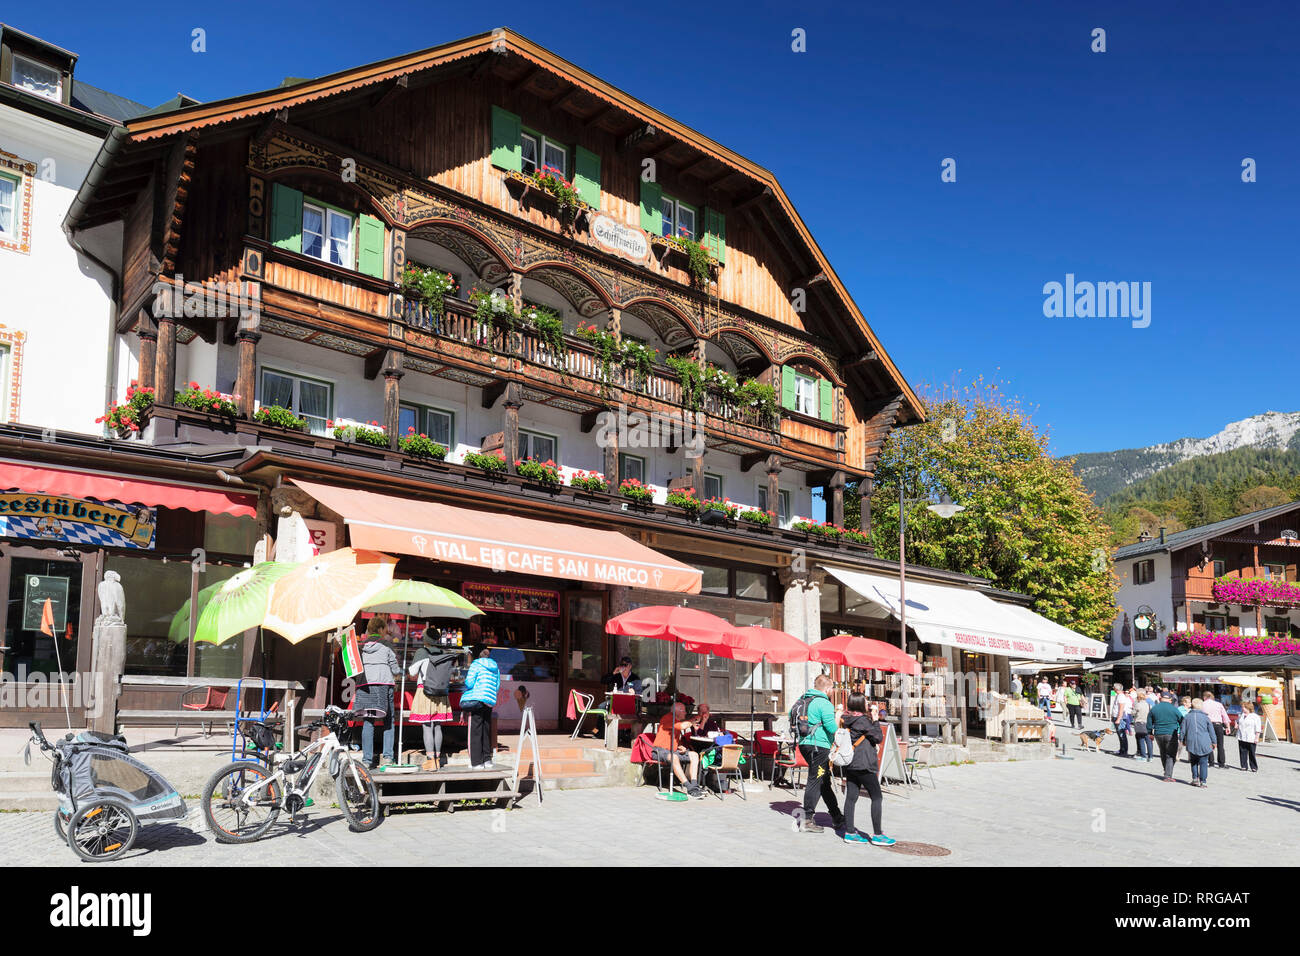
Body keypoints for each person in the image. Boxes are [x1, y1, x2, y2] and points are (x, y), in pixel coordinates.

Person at [838, 693, 892, 846]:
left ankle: (849, 832)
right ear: (861, 705)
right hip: (864, 764)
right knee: (876, 797)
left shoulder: (847, 719)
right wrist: (875, 720)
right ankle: (878, 834)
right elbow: (878, 737)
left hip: (851, 763)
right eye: (866, 702)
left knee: (851, 797)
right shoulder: (862, 721)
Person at [793, 674, 844, 833]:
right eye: (832, 689)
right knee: (816, 779)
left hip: (804, 745)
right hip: (819, 747)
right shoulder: (824, 703)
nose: (832, 692)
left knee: (824, 779)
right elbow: (832, 729)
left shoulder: (802, 700)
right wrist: (838, 715)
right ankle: (807, 819)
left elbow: (791, 716)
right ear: (828, 688)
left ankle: (836, 816)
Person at [407, 631, 458, 770]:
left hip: (425, 691)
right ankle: (437, 759)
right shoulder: (443, 652)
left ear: (426, 639)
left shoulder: (422, 652)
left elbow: (412, 672)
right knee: (437, 725)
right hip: (441, 693)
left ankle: (430, 761)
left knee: (427, 726)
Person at [356, 615, 402, 768]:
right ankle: (388, 757)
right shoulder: (387, 645)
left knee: (368, 721)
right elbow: (395, 669)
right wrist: (401, 670)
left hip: (365, 686)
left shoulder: (361, 646)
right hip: (383, 684)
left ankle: (367, 760)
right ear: (381, 629)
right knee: (388, 720)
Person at [459, 646, 500, 769]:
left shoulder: (476, 664)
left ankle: (476, 762)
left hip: (476, 699)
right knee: (485, 729)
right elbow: (497, 686)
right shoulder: (495, 666)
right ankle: (487, 760)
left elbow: (469, 683)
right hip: (489, 700)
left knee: (475, 730)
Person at [651, 701, 703, 797]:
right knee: (674, 757)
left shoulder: (677, 721)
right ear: (677, 711)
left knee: (694, 755)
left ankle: (694, 785)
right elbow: (683, 726)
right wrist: (693, 720)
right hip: (659, 751)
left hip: (673, 751)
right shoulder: (668, 718)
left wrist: (680, 745)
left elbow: (672, 737)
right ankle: (689, 787)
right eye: (683, 710)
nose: (685, 713)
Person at [1179, 698, 1216, 788]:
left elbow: (1183, 730)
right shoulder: (1206, 717)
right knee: (1203, 762)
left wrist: (1182, 740)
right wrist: (1214, 742)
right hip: (1204, 742)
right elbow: (1211, 731)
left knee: (1194, 761)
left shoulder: (1187, 717)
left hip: (1191, 741)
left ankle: (1195, 779)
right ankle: (1203, 781)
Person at [1148, 691, 1183, 782]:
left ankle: (1166, 771)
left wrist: (1150, 733)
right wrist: (1182, 732)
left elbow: (1149, 722)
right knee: (1171, 755)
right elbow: (1182, 720)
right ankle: (1168, 775)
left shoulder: (1154, 708)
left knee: (1163, 753)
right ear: (1170, 699)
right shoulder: (1174, 709)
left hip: (1158, 733)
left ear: (1160, 698)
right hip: (1171, 733)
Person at [1201, 691, 1229, 769]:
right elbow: (1225, 716)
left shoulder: (1202, 704)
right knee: (1220, 744)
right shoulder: (1219, 704)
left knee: (1209, 743)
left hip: (1207, 725)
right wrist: (1227, 727)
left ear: (1204, 697)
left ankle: (1211, 762)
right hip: (1218, 725)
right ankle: (1221, 763)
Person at [1236, 701, 1261, 772]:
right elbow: (1237, 721)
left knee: (1252, 753)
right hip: (1241, 736)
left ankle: (1253, 766)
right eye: (1242, 707)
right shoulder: (1241, 715)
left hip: (1251, 737)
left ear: (1248, 708)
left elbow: (1258, 728)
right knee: (1242, 752)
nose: (1242, 708)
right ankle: (1244, 766)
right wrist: (1236, 724)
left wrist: (1257, 737)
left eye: (1244, 707)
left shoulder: (1255, 717)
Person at [1110, 682, 1132, 757]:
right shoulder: (1118, 695)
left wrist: (1118, 719)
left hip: (1120, 717)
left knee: (1122, 734)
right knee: (1120, 734)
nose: (1113, 689)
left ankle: (1124, 751)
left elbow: (1121, 708)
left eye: (1114, 687)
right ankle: (1122, 749)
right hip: (1116, 716)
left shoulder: (1121, 696)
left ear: (1116, 688)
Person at [1133, 691, 1153, 762]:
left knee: (1141, 740)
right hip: (1147, 723)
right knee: (1149, 741)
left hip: (1139, 723)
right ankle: (1150, 757)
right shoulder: (1149, 705)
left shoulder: (1138, 705)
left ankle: (1144, 756)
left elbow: (1133, 713)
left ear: (1138, 698)